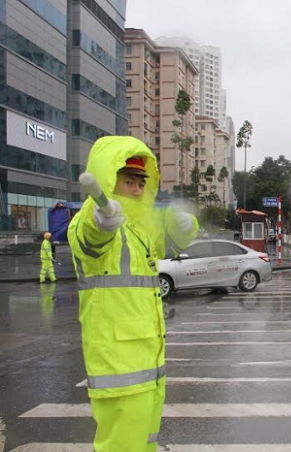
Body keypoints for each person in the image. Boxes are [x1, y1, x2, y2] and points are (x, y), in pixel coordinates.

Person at [67, 136, 199, 452]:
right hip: (118, 369)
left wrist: (185, 225)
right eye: (129, 182)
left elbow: (175, 242)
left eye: (141, 182)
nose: (138, 189)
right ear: (109, 179)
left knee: (145, 443)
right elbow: (90, 238)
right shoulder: (94, 220)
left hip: (149, 365)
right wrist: (100, 221)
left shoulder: (139, 229)